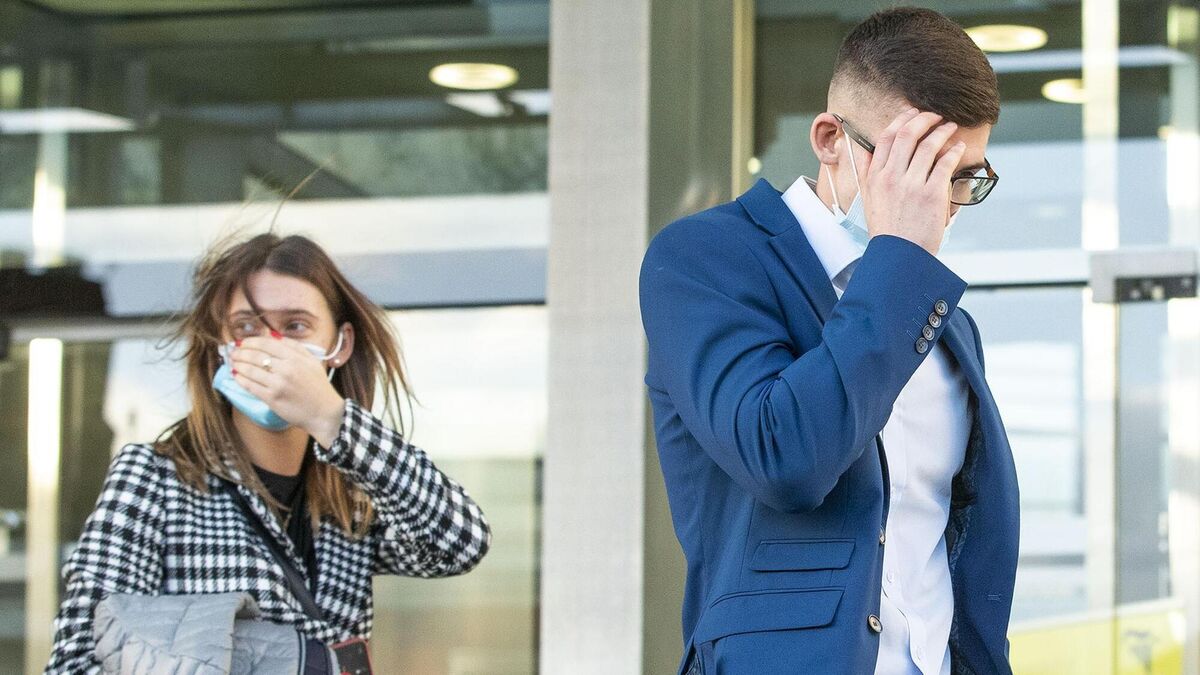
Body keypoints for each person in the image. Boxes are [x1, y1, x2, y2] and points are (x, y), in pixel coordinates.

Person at [639, 7, 1019, 675]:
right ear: (830, 139)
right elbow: (784, 456)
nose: (939, 202)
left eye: (961, 176)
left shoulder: (947, 325)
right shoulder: (706, 258)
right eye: (913, 165)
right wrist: (900, 258)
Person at [46, 232, 491, 673]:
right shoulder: (155, 479)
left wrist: (331, 418)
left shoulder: (354, 497)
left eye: (296, 327)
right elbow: (75, 661)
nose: (271, 349)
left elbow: (459, 544)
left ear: (340, 345)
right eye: (246, 328)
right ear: (221, 349)